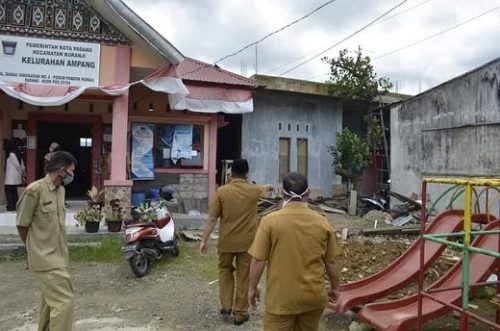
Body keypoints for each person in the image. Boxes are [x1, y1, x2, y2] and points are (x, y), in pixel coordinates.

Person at [248, 172, 341, 331]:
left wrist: (252, 288)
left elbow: (258, 260)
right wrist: (335, 287)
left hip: (281, 299)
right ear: (308, 193)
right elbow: (331, 261)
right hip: (313, 298)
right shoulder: (322, 221)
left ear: (282, 193)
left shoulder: (270, 221)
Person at [199, 159, 272, 326]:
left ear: (231, 173)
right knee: (244, 275)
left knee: (224, 270)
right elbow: (264, 190)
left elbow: (212, 218)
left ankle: (225, 306)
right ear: (247, 173)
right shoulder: (253, 190)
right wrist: (267, 186)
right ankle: (240, 313)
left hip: (226, 242)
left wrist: (204, 240)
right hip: (247, 243)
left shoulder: (222, 192)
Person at [16, 151, 77, 331]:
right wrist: (31, 249)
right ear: (61, 171)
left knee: (50, 301)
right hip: (44, 258)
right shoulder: (34, 191)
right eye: (71, 171)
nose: (73, 175)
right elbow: (22, 224)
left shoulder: (61, 191)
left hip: (59, 256)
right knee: (64, 301)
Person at [4, 140, 25, 211]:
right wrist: (22, 173)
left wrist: (20, 172)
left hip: (11, 178)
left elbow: (17, 165)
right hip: (15, 178)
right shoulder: (18, 153)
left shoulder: (11, 154)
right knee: (14, 192)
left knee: (8, 191)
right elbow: (22, 166)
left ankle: (10, 206)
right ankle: (15, 205)